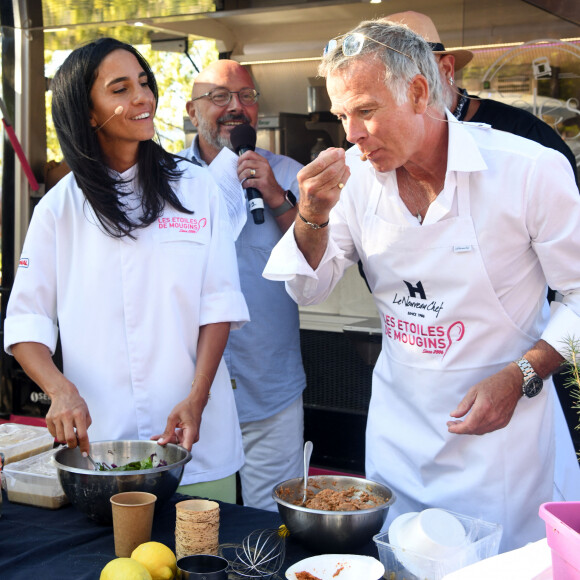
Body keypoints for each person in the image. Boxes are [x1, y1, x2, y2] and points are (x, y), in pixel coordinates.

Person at [263, 20, 580, 552]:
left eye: (365, 111)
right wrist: (311, 215)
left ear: (418, 91)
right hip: (399, 443)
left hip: (506, 447)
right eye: (344, 116)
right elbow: (306, 289)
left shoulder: (528, 170)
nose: (351, 135)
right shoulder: (357, 180)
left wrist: (521, 375)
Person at [3, 38, 250, 502]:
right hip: (103, 447)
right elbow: (25, 322)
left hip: (198, 438)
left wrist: (197, 398)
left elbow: (217, 303)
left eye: (143, 83)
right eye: (120, 89)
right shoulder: (60, 208)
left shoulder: (195, 187)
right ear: (89, 112)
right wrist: (59, 390)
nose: (142, 98)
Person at [180, 59, 307, 511]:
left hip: (269, 388)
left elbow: (319, 258)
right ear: (192, 112)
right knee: (194, 527)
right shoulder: (169, 181)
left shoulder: (291, 175)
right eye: (220, 97)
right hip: (192, 392)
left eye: (246, 97)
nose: (236, 107)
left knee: (271, 525)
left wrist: (275, 197)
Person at [383, 11, 578, 181]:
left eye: (411, 75)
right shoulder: (379, 143)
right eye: (385, 83)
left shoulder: (526, 136)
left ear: (447, 68)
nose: (401, 91)